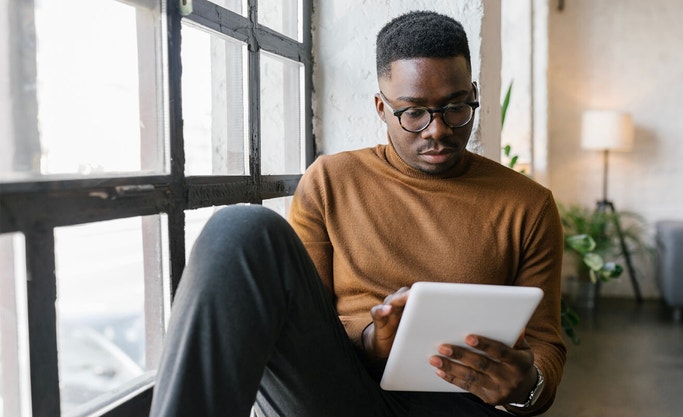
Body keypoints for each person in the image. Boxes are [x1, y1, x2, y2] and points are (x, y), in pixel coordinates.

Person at [150, 10, 565, 417]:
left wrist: (525, 386)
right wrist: (370, 342)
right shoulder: (332, 180)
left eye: (455, 108)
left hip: (463, 405)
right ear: (381, 108)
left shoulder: (528, 205)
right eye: (414, 112)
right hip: (345, 390)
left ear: (473, 93)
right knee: (240, 228)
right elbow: (300, 323)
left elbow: (546, 346)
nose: (437, 130)